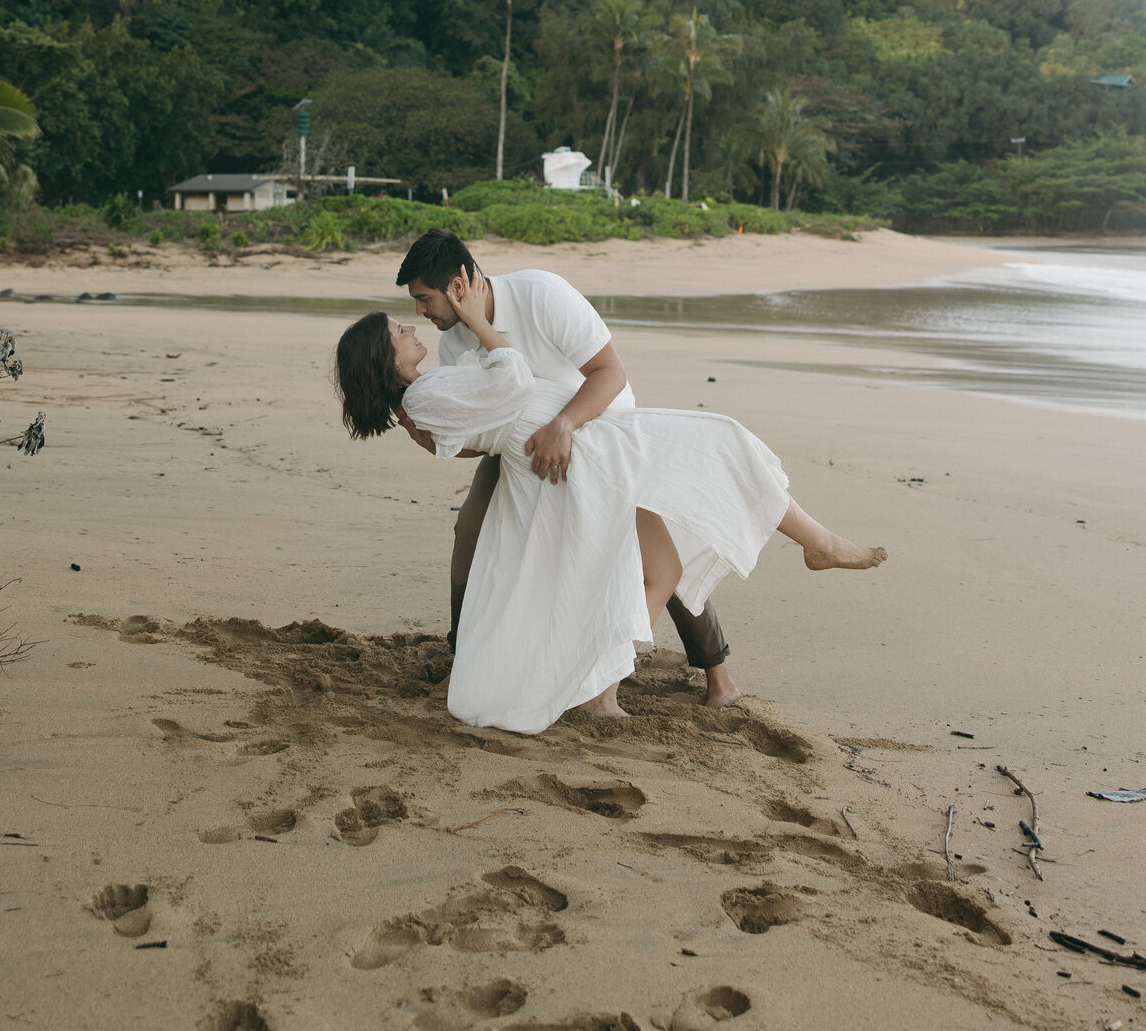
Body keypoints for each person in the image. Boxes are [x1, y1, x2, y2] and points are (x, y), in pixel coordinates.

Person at [333, 271, 887, 736]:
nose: (412, 321)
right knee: (719, 455)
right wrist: (481, 323)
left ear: (457, 286)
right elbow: (514, 378)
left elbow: (482, 424)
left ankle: (608, 683)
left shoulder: (451, 371)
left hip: (589, 443)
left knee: (700, 492)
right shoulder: (429, 390)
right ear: (386, 355)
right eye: (399, 328)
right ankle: (818, 547)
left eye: (418, 306)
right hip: (586, 457)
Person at [394, 228, 740, 708]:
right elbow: (480, 430)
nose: (420, 312)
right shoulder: (455, 343)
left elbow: (610, 375)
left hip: (601, 431)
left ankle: (717, 674)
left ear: (458, 285)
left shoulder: (542, 294)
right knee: (471, 532)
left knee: (647, 553)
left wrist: (565, 424)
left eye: (424, 298)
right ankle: (465, 658)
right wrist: (431, 435)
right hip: (523, 452)